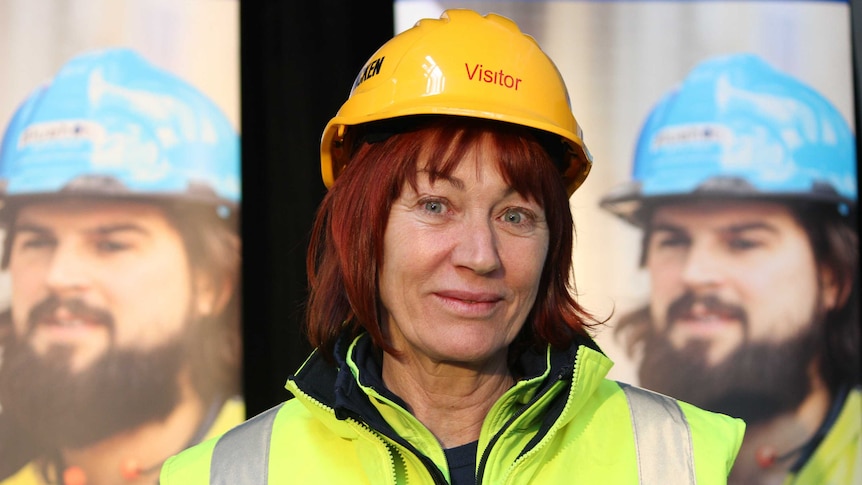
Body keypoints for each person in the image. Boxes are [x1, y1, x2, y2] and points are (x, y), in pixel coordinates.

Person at [161, 9, 744, 484]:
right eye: (436, 206)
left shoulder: (688, 457)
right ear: (362, 230)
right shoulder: (221, 475)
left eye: (515, 215)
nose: (481, 255)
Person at [600, 53, 860, 484]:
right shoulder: (601, 456)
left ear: (833, 276)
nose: (696, 273)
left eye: (743, 242)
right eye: (674, 240)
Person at [0, 48, 244, 485]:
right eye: (37, 241)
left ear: (212, 282)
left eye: (110, 244)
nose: (59, 276)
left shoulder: (281, 457)